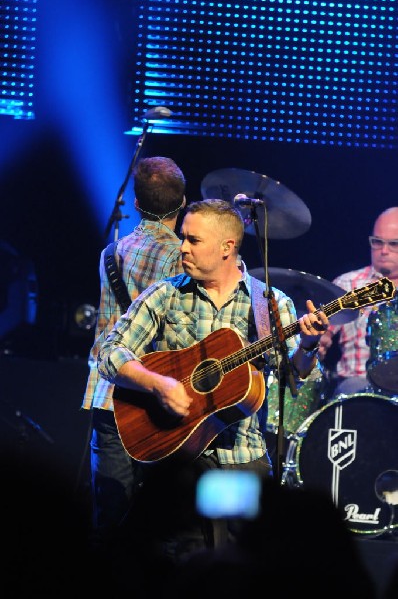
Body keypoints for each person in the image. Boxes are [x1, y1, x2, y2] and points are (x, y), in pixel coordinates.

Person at [97, 198, 330, 567]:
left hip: (240, 460)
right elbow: (110, 353)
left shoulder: (268, 303)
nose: (182, 247)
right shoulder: (166, 293)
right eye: (184, 238)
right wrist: (157, 384)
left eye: (193, 240)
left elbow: (297, 375)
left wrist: (308, 343)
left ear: (227, 248)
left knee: (240, 563)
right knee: (180, 560)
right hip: (179, 456)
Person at [81, 156, 187, 543]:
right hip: (158, 397)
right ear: (184, 201)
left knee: (112, 516)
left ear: (138, 205)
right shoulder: (184, 258)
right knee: (160, 518)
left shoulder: (111, 252)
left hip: (110, 394)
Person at [318, 206, 398, 400]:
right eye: (377, 243)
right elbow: (316, 342)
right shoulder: (348, 284)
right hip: (356, 388)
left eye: (394, 244)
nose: (384, 251)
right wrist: (315, 344)